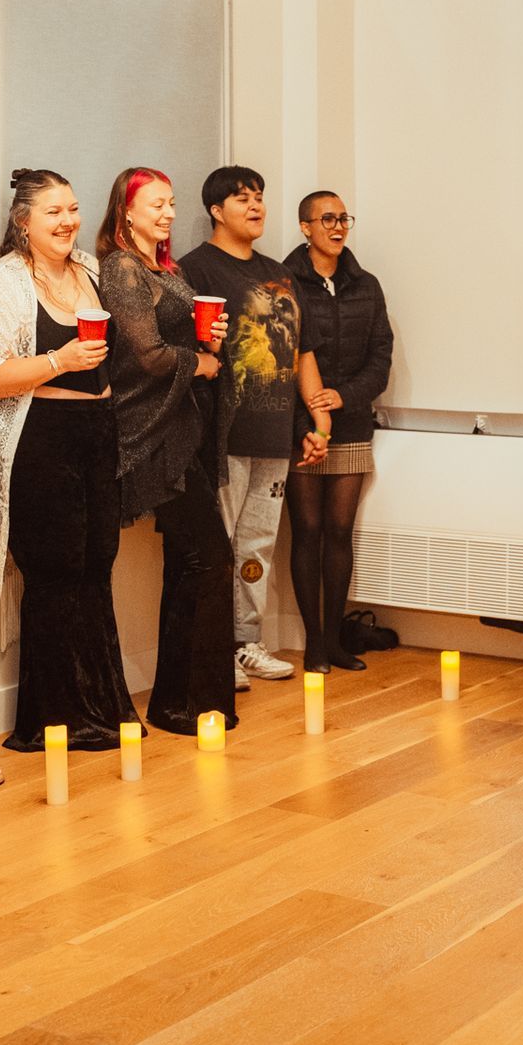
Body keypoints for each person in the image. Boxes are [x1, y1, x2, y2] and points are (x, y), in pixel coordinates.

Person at [0, 169, 140, 752]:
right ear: (23, 223)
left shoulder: (90, 272)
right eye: (53, 213)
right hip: (42, 439)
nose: (68, 221)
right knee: (56, 573)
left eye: (72, 208)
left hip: (98, 432)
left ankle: (104, 709)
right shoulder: (4, 283)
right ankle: (54, 720)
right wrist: (59, 360)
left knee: (98, 567)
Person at [95, 167, 236, 735]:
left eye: (171, 204)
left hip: (186, 430)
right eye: (155, 204)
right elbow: (148, 356)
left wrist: (208, 339)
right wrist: (196, 360)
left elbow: (176, 339)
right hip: (152, 438)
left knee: (189, 564)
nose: (167, 213)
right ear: (125, 211)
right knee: (212, 559)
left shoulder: (163, 267)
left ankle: (178, 702)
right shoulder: (122, 268)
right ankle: (192, 702)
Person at [178, 166, 328, 691]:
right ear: (217, 211)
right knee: (218, 544)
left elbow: (302, 348)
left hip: (275, 432)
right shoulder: (195, 269)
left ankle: (246, 642)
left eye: (260, 197)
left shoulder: (279, 273)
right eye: (243, 199)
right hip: (223, 433)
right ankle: (215, 647)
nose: (256, 206)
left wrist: (317, 415)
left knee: (259, 543)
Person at [284, 190, 392, 672]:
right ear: (305, 227)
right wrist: (311, 406)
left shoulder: (366, 284)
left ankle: (333, 639)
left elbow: (380, 358)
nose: (337, 226)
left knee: (339, 531)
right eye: (326, 218)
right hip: (298, 427)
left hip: (349, 423)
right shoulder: (283, 281)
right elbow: (278, 354)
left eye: (343, 217)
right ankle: (311, 641)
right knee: (306, 530)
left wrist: (343, 395)